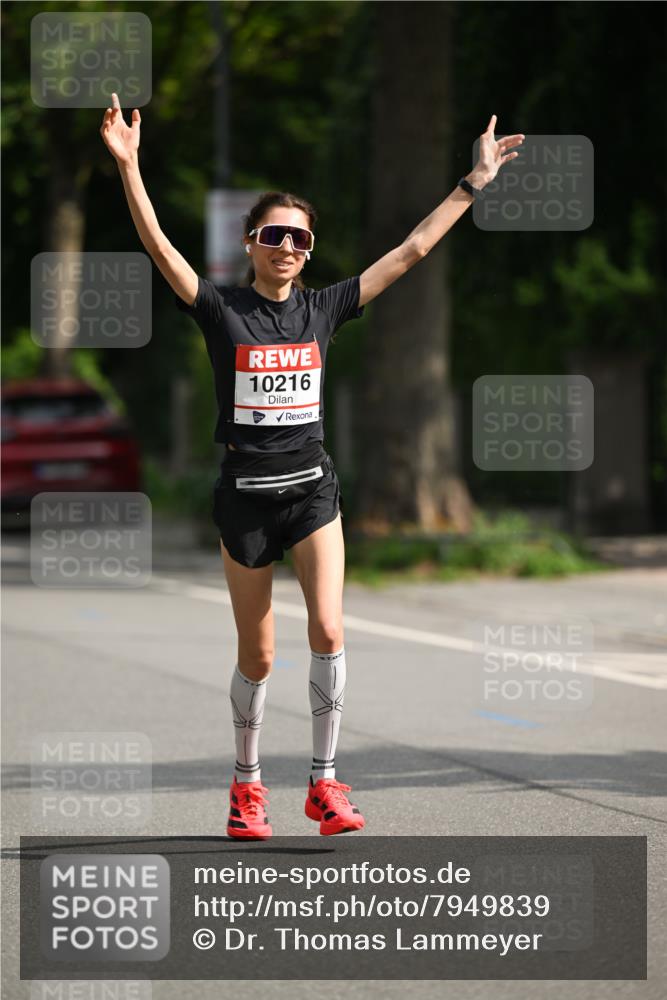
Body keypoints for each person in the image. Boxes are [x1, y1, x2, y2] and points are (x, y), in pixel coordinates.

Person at [101, 93, 524, 839]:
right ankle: (246, 785)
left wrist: (472, 183)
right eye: (274, 234)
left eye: (299, 237)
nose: (288, 246)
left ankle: (324, 784)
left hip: (311, 494)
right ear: (251, 243)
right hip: (244, 499)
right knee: (258, 654)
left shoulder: (323, 309)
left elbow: (412, 250)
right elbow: (162, 250)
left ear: (308, 249)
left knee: (328, 629)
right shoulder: (221, 308)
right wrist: (131, 168)